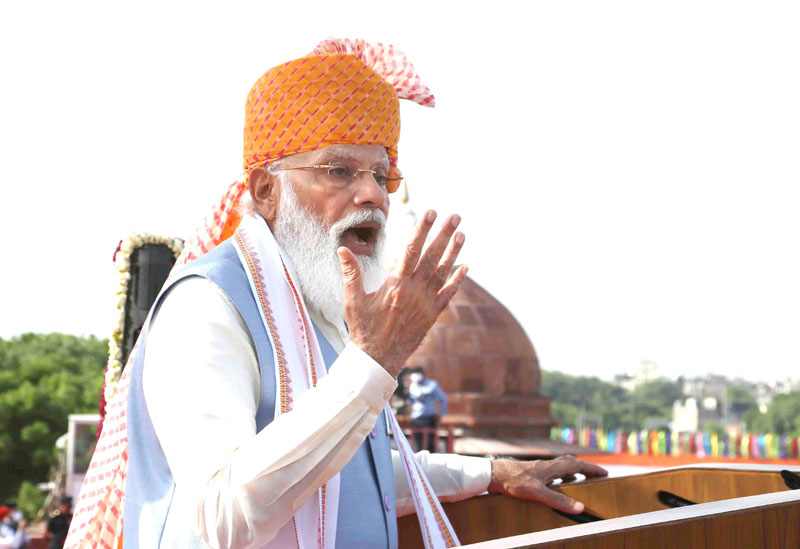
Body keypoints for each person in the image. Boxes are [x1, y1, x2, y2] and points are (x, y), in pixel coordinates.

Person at [67, 38, 606, 549]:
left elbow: (341, 479)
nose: (371, 193)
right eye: (338, 170)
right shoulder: (207, 305)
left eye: (381, 173)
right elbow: (222, 515)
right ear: (265, 191)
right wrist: (374, 363)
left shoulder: (312, 309)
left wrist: (491, 474)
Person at [408, 367, 448, 451]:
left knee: (430, 445)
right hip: (416, 419)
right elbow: (410, 401)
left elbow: (443, 399)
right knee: (417, 445)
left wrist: (441, 414)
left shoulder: (431, 385)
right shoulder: (412, 386)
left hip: (428, 419)